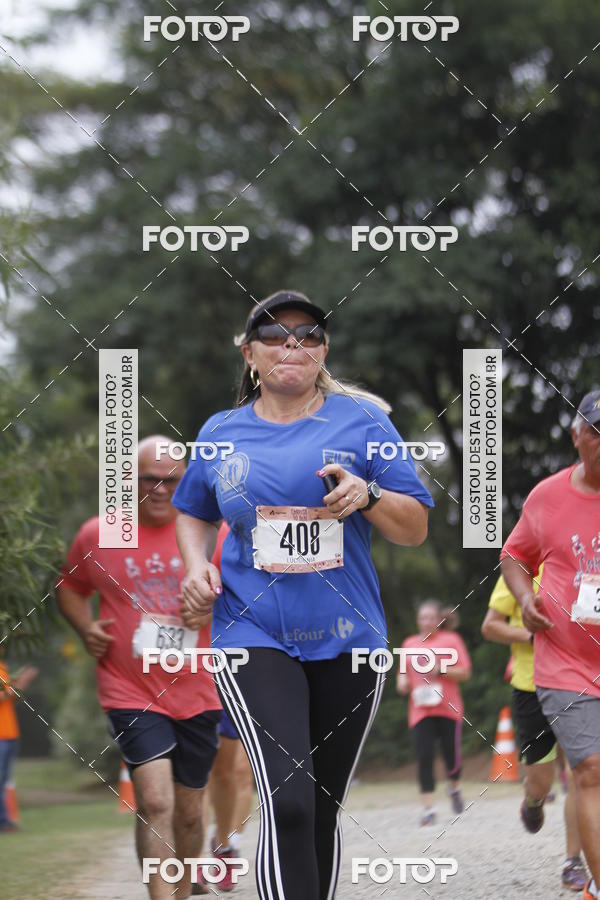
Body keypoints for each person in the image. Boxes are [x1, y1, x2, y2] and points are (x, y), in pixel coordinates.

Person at [173, 290, 433, 900]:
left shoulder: (363, 422)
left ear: (324, 351)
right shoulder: (220, 433)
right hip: (251, 631)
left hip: (348, 636)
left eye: (308, 334)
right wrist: (195, 566)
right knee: (288, 802)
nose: (292, 343)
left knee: (319, 806)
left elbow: (416, 527)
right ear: (249, 355)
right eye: (273, 333)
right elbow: (193, 511)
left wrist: (368, 495)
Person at [57, 436, 222, 900]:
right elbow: (69, 586)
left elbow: (254, 600)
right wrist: (85, 628)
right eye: (150, 478)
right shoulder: (99, 534)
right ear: (128, 479)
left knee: (189, 813)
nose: (161, 489)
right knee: (155, 801)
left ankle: (183, 891)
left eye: (173, 480)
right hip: (130, 688)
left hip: (201, 688)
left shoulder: (215, 533)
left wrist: (212, 609)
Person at [501, 389, 600, 900]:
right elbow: (515, 555)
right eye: (598, 433)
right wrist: (525, 597)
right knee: (590, 770)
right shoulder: (547, 497)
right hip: (565, 662)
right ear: (577, 436)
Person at [481, 572, 588, 891]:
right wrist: (531, 636)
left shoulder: (584, 568)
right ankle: (534, 800)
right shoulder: (520, 571)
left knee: (581, 772)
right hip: (532, 686)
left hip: (579, 682)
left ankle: (573, 861)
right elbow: (490, 626)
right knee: (542, 780)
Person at [396, 600, 471, 825]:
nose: (427, 622)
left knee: (452, 758)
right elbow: (402, 675)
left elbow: (465, 672)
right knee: (424, 756)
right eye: (423, 618)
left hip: (448, 709)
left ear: (439, 620)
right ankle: (429, 809)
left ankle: (454, 787)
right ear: (417, 621)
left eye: (431, 618)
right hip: (420, 710)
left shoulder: (451, 640)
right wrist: (402, 684)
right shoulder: (409, 644)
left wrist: (440, 669)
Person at [0, 657, 38, 832]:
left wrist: (21, 683)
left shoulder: (3, 666)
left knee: (4, 780)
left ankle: (5, 822)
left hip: (9, 732)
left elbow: (10, 699)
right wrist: (19, 683)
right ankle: (3, 822)